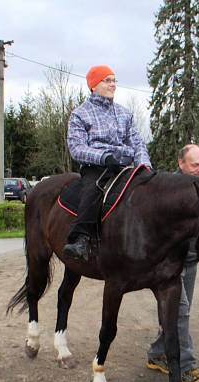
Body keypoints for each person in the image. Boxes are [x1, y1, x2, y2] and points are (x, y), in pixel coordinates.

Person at [63, 64, 151, 262]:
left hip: (125, 165)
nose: (113, 85)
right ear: (94, 85)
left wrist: (144, 166)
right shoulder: (80, 114)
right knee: (93, 189)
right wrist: (104, 158)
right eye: (107, 80)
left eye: (114, 80)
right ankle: (81, 239)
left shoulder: (124, 113)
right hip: (98, 167)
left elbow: (137, 143)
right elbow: (77, 148)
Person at [146, 144, 199, 382]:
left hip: (190, 262)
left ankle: (157, 353)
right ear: (181, 163)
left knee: (177, 314)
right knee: (180, 312)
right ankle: (186, 368)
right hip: (169, 264)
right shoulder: (167, 190)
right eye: (195, 164)